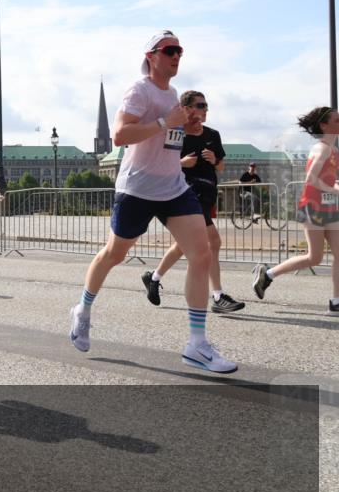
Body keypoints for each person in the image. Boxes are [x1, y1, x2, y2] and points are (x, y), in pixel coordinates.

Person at [68, 30, 236, 374]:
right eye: (169, 50)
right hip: (138, 188)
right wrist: (164, 122)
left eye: (180, 51)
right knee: (115, 254)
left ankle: (196, 344)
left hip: (173, 186)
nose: (176, 56)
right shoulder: (139, 90)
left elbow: (166, 139)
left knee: (202, 252)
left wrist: (182, 131)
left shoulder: (173, 93)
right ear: (151, 56)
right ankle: (83, 309)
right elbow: (119, 135)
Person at [141, 91, 245, 313]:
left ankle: (154, 278)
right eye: (201, 105)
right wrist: (181, 162)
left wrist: (214, 160)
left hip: (207, 194)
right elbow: (162, 163)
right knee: (213, 242)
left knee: (183, 245)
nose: (206, 109)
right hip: (187, 193)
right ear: (187, 108)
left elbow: (221, 167)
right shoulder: (178, 134)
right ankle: (218, 297)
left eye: (207, 105)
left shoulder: (213, 134)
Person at [253, 107, 339, 312]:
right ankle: (269, 273)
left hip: (330, 207)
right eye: (337, 120)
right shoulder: (322, 148)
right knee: (314, 257)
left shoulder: (333, 150)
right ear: (323, 125)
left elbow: (327, 178)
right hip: (313, 206)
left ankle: (336, 301)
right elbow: (310, 178)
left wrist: (335, 186)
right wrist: (334, 190)